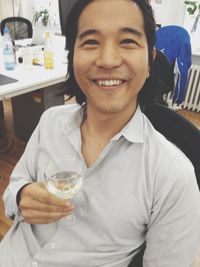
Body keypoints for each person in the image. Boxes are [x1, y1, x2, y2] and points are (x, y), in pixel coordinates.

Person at [0, 0, 200, 266]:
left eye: (128, 41)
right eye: (91, 42)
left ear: (150, 61)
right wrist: (22, 195)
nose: (107, 60)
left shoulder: (173, 177)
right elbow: (14, 190)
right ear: (73, 56)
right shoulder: (49, 122)